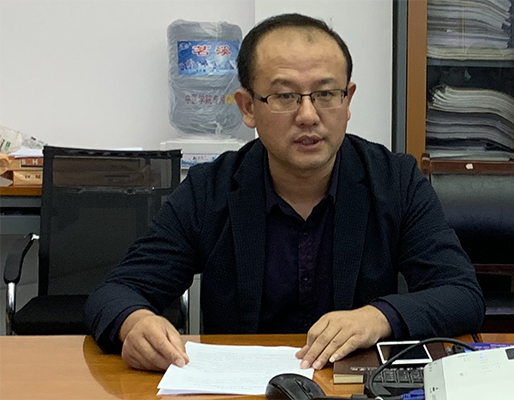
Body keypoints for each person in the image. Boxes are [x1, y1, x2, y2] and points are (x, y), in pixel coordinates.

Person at [84, 13, 484, 372]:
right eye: (284, 96)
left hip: (352, 387)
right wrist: (134, 323)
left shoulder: (395, 181)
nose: (308, 115)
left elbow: (461, 294)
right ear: (247, 107)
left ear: (348, 100)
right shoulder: (210, 189)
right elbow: (116, 292)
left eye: (325, 94)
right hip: (241, 389)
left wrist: (378, 317)